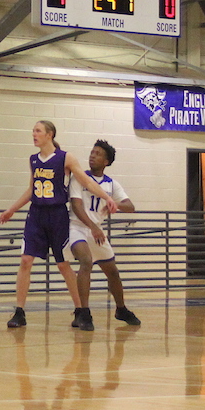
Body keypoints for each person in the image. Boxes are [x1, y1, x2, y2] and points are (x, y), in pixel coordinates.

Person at [0, 121, 118, 328]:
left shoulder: (66, 158)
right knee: (26, 259)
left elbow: (87, 182)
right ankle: (19, 311)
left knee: (63, 265)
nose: (33, 134)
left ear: (49, 134)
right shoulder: (33, 159)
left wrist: (106, 197)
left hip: (57, 215)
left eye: (37, 131)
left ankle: (81, 310)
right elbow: (31, 189)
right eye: (33, 130)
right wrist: (12, 209)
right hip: (36, 214)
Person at [64, 139, 141, 331]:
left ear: (106, 161)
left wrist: (115, 204)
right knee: (85, 262)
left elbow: (131, 207)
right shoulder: (79, 178)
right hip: (77, 227)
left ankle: (121, 309)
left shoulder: (111, 185)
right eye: (92, 152)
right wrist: (92, 226)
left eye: (98, 153)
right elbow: (76, 205)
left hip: (96, 230)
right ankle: (83, 312)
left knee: (113, 272)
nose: (92, 155)